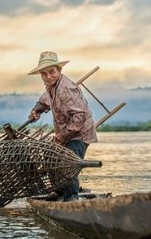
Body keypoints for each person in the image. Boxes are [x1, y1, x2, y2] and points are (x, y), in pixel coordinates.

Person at [27, 51, 98, 201]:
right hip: (67, 132)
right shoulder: (51, 86)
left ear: (59, 70)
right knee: (53, 160)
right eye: (44, 74)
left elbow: (79, 117)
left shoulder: (66, 89)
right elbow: (45, 100)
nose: (48, 76)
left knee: (68, 164)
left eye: (51, 72)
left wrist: (62, 136)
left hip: (80, 134)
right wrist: (36, 110)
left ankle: (71, 198)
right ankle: (60, 192)